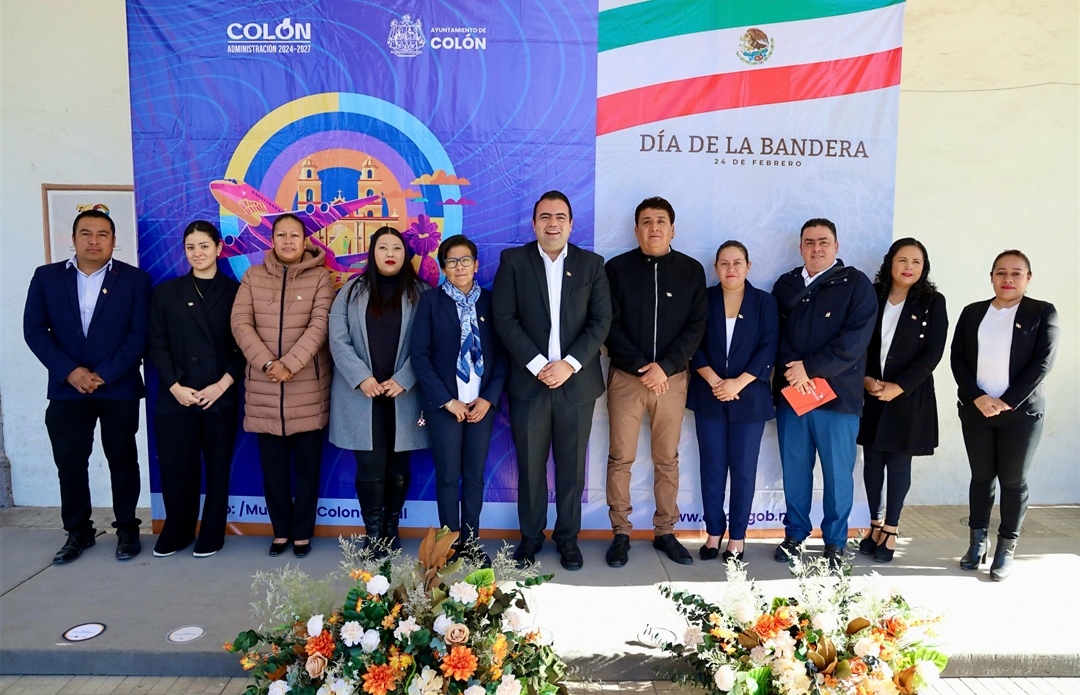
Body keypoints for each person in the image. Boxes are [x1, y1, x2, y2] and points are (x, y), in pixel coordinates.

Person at [24, 209, 152, 563]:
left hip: (118, 387)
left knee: (122, 460)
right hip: (67, 389)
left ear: (114, 240)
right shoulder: (47, 278)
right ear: (74, 238)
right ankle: (78, 531)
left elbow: (139, 335)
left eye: (102, 234)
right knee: (71, 461)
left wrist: (103, 374)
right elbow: (35, 331)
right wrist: (71, 372)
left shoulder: (135, 281)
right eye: (86, 233)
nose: (94, 240)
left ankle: (127, 528)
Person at [492, 190, 611, 571]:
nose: (553, 223)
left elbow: (600, 322)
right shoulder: (513, 261)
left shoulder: (592, 265)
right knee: (530, 467)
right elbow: (504, 319)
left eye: (560, 216)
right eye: (545, 216)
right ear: (534, 223)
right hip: (531, 382)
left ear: (572, 224)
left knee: (572, 468)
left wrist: (569, 364)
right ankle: (530, 538)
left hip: (576, 384)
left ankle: (568, 539)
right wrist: (539, 364)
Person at [603, 196, 707, 568]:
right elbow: (608, 324)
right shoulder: (617, 269)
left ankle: (665, 531)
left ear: (672, 229)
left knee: (667, 459)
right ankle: (620, 532)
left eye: (661, 221)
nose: (654, 228)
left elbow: (696, 326)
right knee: (621, 458)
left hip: (673, 379)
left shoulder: (691, 270)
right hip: (626, 379)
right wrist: (641, 367)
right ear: (636, 230)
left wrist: (666, 366)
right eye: (646, 221)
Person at [771, 218, 876, 569]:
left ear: (836, 246)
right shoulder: (785, 285)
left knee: (837, 475)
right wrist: (793, 371)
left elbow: (855, 341)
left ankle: (835, 541)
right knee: (796, 472)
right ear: (800, 247)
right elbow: (774, 335)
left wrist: (809, 369)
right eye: (809, 242)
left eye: (824, 241)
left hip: (838, 398)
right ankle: (795, 535)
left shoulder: (856, 284)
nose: (817, 247)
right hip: (793, 397)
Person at [951, 250, 1059, 581]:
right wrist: (980, 398)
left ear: (1028, 278)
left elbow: (1042, 363)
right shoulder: (972, 313)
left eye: (1016, 273)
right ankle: (976, 543)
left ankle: (1006, 548)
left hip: (1021, 413)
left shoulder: (1042, 312)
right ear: (992, 277)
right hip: (976, 410)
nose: (1007, 279)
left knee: (1013, 480)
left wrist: (1006, 401)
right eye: (1000, 272)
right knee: (981, 477)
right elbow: (958, 359)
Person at [231, 214, 334, 558]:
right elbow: (240, 322)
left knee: (307, 470)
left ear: (305, 241)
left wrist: (289, 364)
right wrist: (267, 363)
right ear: (271, 240)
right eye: (281, 235)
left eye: (294, 235)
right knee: (273, 472)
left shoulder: (321, 278)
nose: (288, 241)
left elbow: (320, 326)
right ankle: (280, 531)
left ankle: (302, 533)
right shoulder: (253, 276)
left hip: (307, 391)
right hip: (264, 391)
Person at [329, 226, 429, 554]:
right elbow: (337, 337)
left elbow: (431, 344)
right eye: (382, 247)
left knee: (398, 467)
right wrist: (361, 377)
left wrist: (404, 377)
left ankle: (390, 527)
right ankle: (373, 534)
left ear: (405, 254)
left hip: (404, 394)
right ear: (372, 252)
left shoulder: (421, 292)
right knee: (370, 467)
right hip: (362, 395)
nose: (389, 253)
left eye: (396, 248)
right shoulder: (351, 290)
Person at [147, 221, 244, 558]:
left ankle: (212, 533)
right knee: (177, 468)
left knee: (218, 469)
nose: (198, 253)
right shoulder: (166, 293)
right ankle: (177, 530)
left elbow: (244, 348)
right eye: (191, 247)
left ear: (219, 248)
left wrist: (222, 385)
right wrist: (174, 386)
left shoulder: (236, 292)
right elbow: (155, 345)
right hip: (176, 397)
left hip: (221, 395)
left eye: (204, 245)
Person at [411, 235, 507, 564]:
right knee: (449, 477)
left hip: (481, 405)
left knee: (475, 476)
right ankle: (448, 545)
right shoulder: (431, 303)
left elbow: (502, 356)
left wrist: (488, 400)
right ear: (443, 268)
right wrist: (446, 401)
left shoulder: (492, 303)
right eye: (451, 261)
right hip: (446, 408)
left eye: (465, 260)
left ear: (476, 265)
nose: (459, 267)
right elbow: (419, 357)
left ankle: (471, 543)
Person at [687, 241, 778, 564]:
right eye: (724, 263)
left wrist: (738, 383)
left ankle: (737, 538)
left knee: (742, 471)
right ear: (715, 268)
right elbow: (692, 342)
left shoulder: (764, 303)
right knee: (711, 468)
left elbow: (768, 348)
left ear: (748, 266)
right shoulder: (704, 300)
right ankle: (714, 533)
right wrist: (715, 382)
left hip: (749, 398)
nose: (731, 269)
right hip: (709, 395)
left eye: (737, 262)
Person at [857, 238, 947, 563]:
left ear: (923, 268)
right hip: (873, 390)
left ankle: (892, 529)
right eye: (902, 260)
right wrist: (866, 378)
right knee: (872, 463)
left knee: (897, 464)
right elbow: (862, 343)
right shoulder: (873, 295)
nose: (908, 267)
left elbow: (933, 352)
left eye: (916, 262)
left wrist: (899, 387)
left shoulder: (932, 302)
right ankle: (874, 525)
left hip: (908, 395)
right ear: (890, 263)